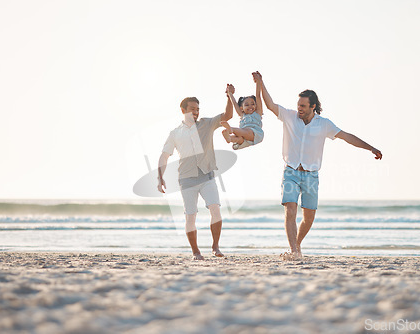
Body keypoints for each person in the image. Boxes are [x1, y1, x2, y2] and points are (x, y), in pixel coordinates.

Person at [252, 71, 383, 260]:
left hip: (311, 175)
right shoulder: (289, 117)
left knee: (309, 217)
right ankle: (294, 251)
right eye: (298, 105)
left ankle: (296, 245)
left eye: (304, 106)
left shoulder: (324, 124)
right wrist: (261, 83)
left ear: (313, 106)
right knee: (290, 208)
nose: (300, 109)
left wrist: (370, 148)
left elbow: (347, 137)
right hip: (291, 171)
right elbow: (270, 105)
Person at [157, 87, 233, 260]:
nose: (196, 112)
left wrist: (229, 96)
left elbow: (227, 115)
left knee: (216, 210)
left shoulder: (207, 124)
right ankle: (196, 252)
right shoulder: (175, 133)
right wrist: (160, 177)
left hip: (207, 176)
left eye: (198, 109)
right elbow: (164, 156)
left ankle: (215, 246)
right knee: (190, 216)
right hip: (186, 179)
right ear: (183, 110)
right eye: (192, 109)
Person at [220, 80, 264, 150]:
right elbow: (234, 103)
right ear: (242, 108)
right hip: (244, 137)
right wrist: (230, 93)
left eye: (252, 104)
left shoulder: (258, 113)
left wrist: (258, 82)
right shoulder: (242, 115)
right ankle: (230, 138)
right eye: (247, 105)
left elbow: (258, 96)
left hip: (254, 134)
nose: (250, 106)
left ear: (256, 105)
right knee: (239, 139)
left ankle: (231, 129)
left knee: (244, 131)